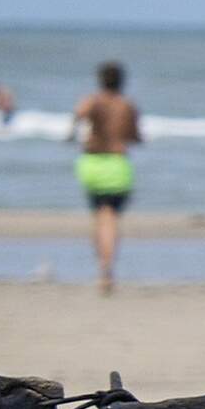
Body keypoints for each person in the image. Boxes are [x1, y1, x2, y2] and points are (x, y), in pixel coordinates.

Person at [70, 62, 142, 293]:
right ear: (122, 81)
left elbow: (77, 116)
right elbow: (135, 136)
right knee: (110, 217)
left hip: (91, 162)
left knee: (99, 216)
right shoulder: (127, 106)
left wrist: (72, 135)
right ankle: (106, 268)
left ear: (101, 80)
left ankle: (102, 266)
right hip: (116, 164)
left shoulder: (92, 101)